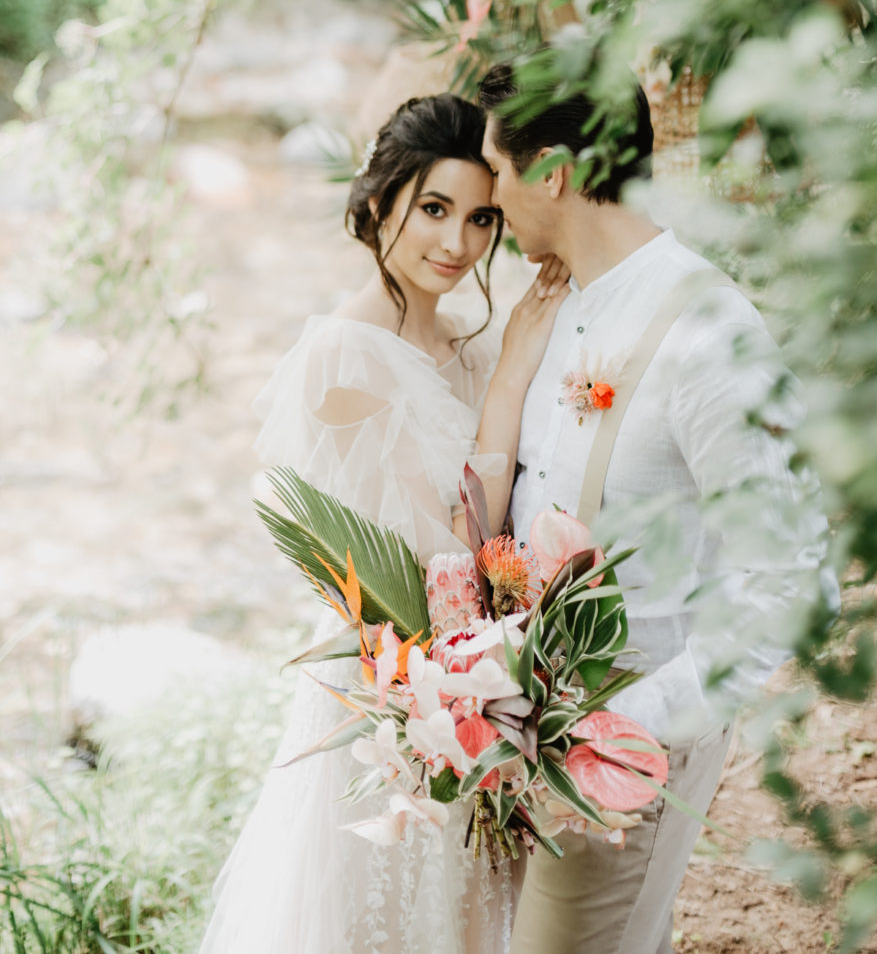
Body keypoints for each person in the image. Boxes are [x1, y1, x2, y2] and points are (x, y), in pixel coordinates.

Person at [474, 60, 832, 954]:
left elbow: (790, 576)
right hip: (533, 726)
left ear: (552, 171)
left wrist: (636, 725)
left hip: (629, 736)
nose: (491, 195)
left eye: (498, 170)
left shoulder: (710, 336)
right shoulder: (555, 305)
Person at [198, 92, 567, 954]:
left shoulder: (468, 348)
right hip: (389, 703)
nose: (457, 243)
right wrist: (510, 381)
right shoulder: (342, 356)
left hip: (476, 692)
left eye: (481, 217)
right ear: (377, 202)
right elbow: (448, 548)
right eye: (433, 208)